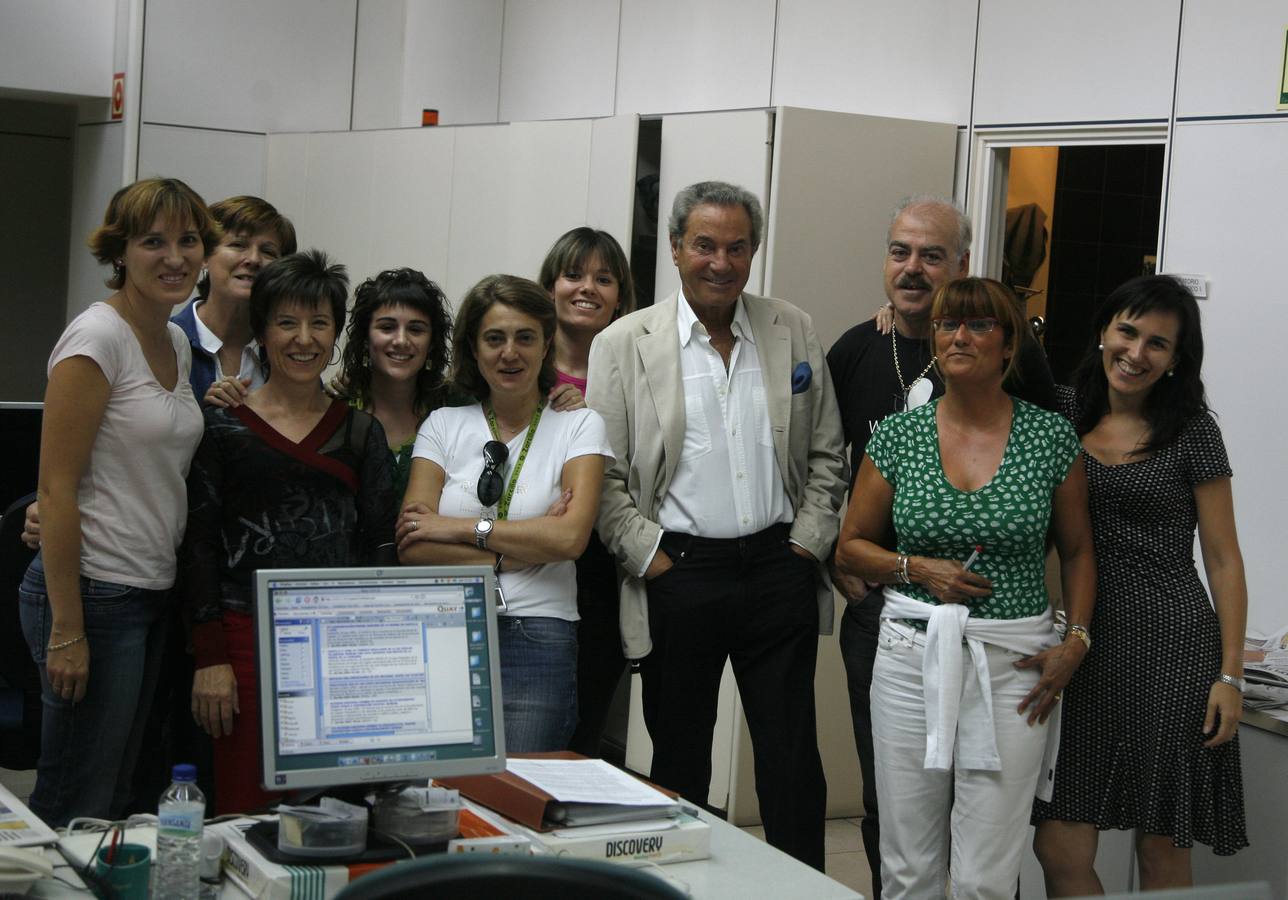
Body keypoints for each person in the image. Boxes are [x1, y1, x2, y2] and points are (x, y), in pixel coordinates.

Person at [587, 180, 847, 870]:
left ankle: (802, 889)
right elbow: (604, 477)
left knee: (792, 762)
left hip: (777, 568)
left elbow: (826, 453)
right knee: (679, 763)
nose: (721, 262)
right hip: (679, 573)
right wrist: (651, 559)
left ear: (754, 251)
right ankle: (682, 888)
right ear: (676, 249)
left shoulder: (792, 326)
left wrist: (805, 545)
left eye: (737, 247)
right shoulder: (623, 343)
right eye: (704, 245)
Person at [826, 195, 1058, 896]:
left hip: (1002, 631)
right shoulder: (858, 348)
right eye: (901, 251)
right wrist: (840, 558)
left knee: (987, 840)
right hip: (890, 615)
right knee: (895, 810)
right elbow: (822, 462)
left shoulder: (1024, 368)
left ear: (962, 262)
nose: (913, 268)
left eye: (932, 255)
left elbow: (1057, 481)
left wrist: (1069, 627)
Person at [1031, 275, 1248, 894]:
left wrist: (1229, 676)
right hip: (1081, 646)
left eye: (1158, 343)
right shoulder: (1061, 412)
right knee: (1058, 843)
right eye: (1127, 331)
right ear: (1103, 330)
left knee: (1160, 850)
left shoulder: (1193, 432)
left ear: (1177, 361)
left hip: (1173, 649)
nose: (1136, 352)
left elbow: (1224, 560)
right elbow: (988, 343)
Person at [18, 177, 217, 826]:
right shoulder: (96, 339)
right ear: (120, 252)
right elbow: (56, 488)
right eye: (153, 242)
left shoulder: (177, 343)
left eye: (188, 241)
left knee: (114, 797)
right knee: (75, 801)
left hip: (149, 587)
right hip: (92, 592)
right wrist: (68, 629)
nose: (175, 257)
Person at [183, 250, 397, 814]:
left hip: (338, 649)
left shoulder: (359, 431)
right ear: (263, 331)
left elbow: (379, 548)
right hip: (242, 643)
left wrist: (377, 656)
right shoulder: (223, 425)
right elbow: (199, 544)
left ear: (336, 332)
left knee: (335, 809)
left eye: (319, 323)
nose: (304, 339)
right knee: (244, 808)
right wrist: (210, 659)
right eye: (286, 323)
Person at [397, 274, 611, 752]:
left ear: (546, 345)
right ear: (474, 349)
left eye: (524, 337)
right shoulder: (444, 425)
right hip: (446, 623)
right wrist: (512, 554)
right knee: (440, 784)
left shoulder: (579, 426)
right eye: (494, 338)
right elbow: (413, 544)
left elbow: (569, 540)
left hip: (539, 632)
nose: (509, 353)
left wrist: (455, 527)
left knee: (523, 789)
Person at [537, 227, 637, 757]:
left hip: (604, 566)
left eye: (604, 278)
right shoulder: (520, 363)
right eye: (573, 274)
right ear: (550, 284)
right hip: (527, 560)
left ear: (621, 294)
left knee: (585, 720)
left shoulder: (636, 368)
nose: (587, 288)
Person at [338, 268, 454, 500]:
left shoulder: (454, 408)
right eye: (387, 327)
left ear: (432, 343)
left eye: (416, 329)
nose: (401, 341)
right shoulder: (336, 410)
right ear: (365, 339)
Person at [173, 195, 298, 400]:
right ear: (204, 256)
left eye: (268, 251)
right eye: (238, 245)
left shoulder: (287, 350)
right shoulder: (165, 341)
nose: (254, 259)